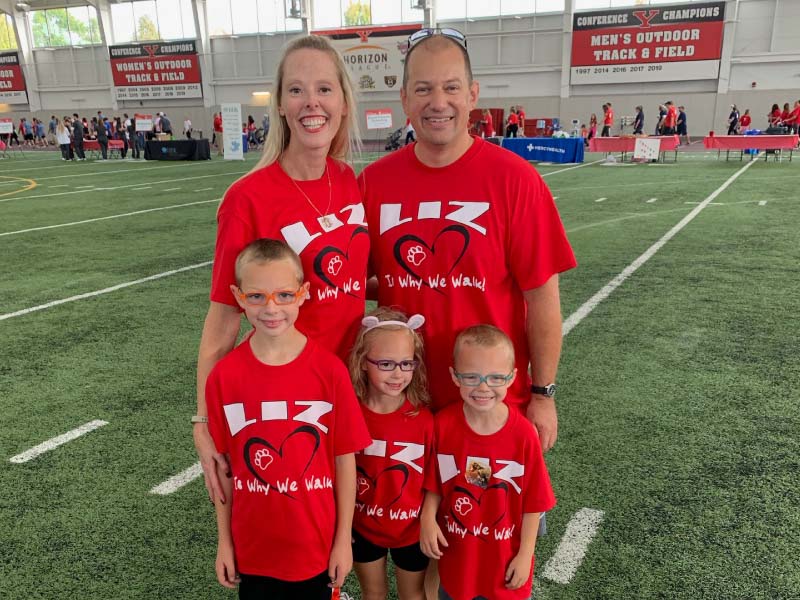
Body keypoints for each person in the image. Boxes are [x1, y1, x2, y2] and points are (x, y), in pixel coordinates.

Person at [359, 26, 574, 456]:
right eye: (423, 89)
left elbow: (542, 298)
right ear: (404, 99)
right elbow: (355, 284)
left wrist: (543, 393)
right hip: (403, 408)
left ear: (472, 94)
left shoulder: (515, 180)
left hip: (489, 411)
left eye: (451, 87)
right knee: (402, 522)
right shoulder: (373, 184)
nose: (438, 102)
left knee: (497, 518)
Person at [194, 34, 368, 506]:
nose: (312, 102)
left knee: (356, 526)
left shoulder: (351, 181)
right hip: (290, 395)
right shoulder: (247, 198)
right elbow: (222, 322)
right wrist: (204, 423)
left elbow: (349, 280)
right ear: (281, 107)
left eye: (324, 89)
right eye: (296, 90)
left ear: (343, 100)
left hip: (356, 384)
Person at [207, 238, 371, 597]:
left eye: (284, 295)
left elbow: (345, 461)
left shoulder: (329, 372)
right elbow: (225, 470)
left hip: (315, 547)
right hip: (253, 551)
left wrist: (344, 539)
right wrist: (225, 542)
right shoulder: (225, 376)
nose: (271, 308)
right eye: (256, 296)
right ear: (237, 296)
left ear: (303, 293)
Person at [420, 325, 555, 600]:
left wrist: (525, 554)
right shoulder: (443, 425)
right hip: (459, 562)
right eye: (471, 376)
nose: (483, 387)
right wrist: (427, 519)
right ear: (454, 376)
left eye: (495, 378)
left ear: (512, 378)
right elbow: (437, 480)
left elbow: (534, 501)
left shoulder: (523, 434)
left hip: (504, 566)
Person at [348, 307, 434, 600]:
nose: (398, 374)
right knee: (373, 593)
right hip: (362, 528)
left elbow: (434, 479)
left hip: (411, 531)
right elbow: (338, 475)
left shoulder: (423, 420)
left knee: (414, 596)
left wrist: (429, 521)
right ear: (362, 362)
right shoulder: (350, 416)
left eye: (406, 364)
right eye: (385, 364)